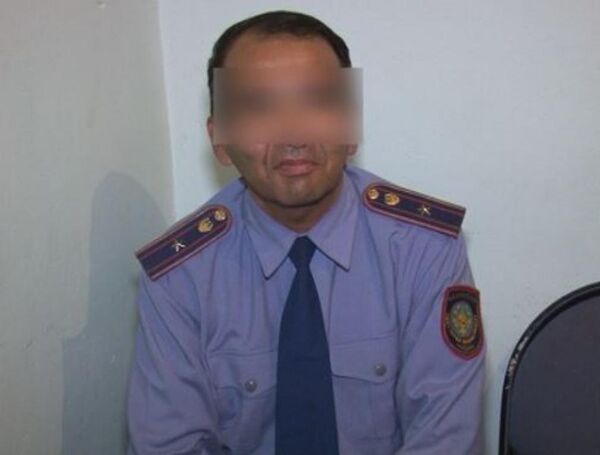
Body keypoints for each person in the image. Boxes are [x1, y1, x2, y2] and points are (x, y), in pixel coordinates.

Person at [126, 10, 485, 455]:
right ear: (219, 140)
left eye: (316, 102)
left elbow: (445, 438)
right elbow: (169, 445)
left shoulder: (423, 248)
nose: (293, 135)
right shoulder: (180, 276)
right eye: (259, 107)